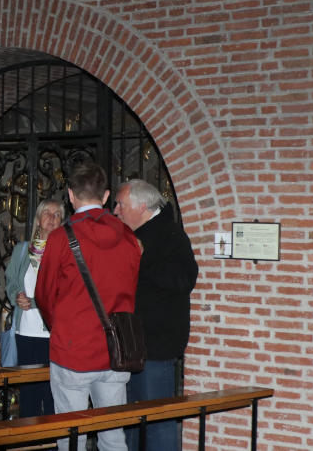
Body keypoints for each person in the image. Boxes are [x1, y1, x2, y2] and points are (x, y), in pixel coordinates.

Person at [36, 164, 141, 451]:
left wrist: (61, 326)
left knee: (72, 437)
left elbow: (44, 294)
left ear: (71, 195)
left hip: (73, 349)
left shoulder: (60, 238)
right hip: (116, 350)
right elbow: (132, 287)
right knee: (113, 437)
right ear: (105, 196)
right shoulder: (128, 236)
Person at [114, 179, 198, 451]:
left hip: (156, 347)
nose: (115, 211)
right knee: (131, 420)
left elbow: (184, 279)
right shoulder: (128, 236)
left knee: (158, 422)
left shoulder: (170, 235)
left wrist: (142, 261)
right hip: (129, 345)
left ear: (141, 206)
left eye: (121, 204)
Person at [4, 199, 65, 417]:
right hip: (27, 333)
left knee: (52, 395)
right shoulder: (22, 251)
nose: (52, 218)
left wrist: (35, 302)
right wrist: (17, 296)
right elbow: (11, 282)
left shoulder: (64, 253)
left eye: (57, 214)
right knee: (29, 396)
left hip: (54, 334)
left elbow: (66, 291)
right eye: (47, 213)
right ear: (38, 219)